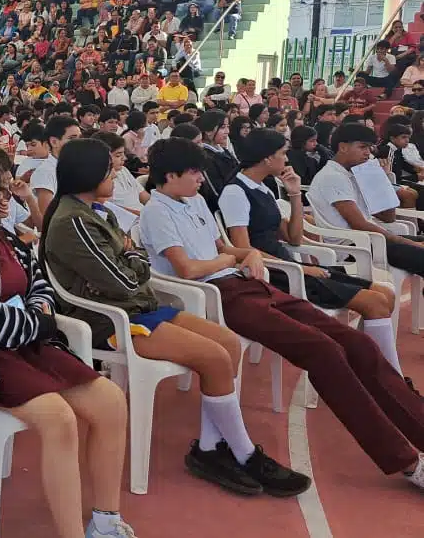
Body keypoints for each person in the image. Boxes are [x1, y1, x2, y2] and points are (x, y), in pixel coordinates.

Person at [141, 137, 424, 490]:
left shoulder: (195, 201)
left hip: (247, 284)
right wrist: (235, 258)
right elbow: (187, 268)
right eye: (195, 172)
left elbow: (224, 247)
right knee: (324, 351)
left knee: (356, 343)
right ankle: (406, 461)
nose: (202, 178)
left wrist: (249, 255)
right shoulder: (157, 212)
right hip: (219, 296)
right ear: (170, 176)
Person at [44, 138, 310, 497]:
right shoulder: (72, 221)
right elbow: (125, 277)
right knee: (214, 357)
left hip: (140, 308)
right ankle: (244, 454)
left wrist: (132, 256)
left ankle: (211, 450)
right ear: (88, 175)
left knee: (228, 342)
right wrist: (133, 257)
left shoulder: (98, 213)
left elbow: (132, 258)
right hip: (110, 321)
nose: (117, 172)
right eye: (109, 170)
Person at [0, 157, 138, 538]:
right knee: (59, 418)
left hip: (22, 344)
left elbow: (40, 285)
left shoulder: (1, 237)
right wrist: (41, 322)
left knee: (110, 401)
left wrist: (39, 315)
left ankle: (105, 521)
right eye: (1, 189)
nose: (9, 195)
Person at [220, 128, 406, 377]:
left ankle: (369, 364)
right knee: (375, 302)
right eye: (282, 154)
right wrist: (302, 268)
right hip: (276, 273)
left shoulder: (263, 187)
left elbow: (294, 238)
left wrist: (295, 194)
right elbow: (245, 251)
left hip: (290, 263)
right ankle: (387, 375)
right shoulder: (236, 192)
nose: (286, 159)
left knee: (385, 293)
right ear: (266, 158)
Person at [308, 123, 424, 278]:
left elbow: (388, 217)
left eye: (369, 148)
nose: (368, 154)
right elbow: (359, 225)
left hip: (372, 238)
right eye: (362, 147)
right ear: (343, 147)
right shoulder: (332, 177)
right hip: (354, 246)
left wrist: (380, 179)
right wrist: (410, 244)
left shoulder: (354, 172)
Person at [30, 116, 82, 221]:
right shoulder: (45, 172)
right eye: (72, 138)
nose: (79, 143)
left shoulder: (72, 167)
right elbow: (47, 215)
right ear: (54, 142)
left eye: (80, 138)